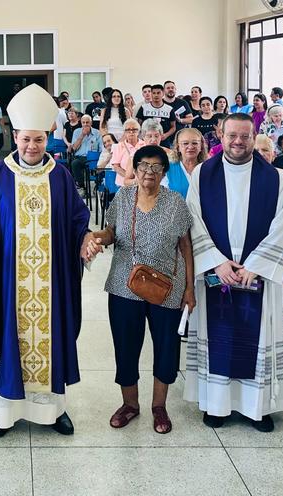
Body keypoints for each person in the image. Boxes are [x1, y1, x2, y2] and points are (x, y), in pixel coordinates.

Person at [0, 83, 95, 437]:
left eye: (38, 139)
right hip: (8, 281)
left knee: (51, 339)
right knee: (7, 336)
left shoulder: (61, 176)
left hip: (51, 283)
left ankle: (54, 410)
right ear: (15, 135)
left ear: (47, 136)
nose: (32, 146)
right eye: (25, 139)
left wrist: (84, 241)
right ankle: (2, 411)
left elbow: (78, 220)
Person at [184, 113, 283, 432]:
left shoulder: (273, 177)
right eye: (231, 135)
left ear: (254, 135)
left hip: (254, 274)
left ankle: (255, 408)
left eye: (245, 136)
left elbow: (282, 225)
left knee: (255, 338)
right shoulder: (204, 173)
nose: (237, 142)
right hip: (216, 272)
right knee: (218, 336)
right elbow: (193, 219)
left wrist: (255, 265)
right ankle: (217, 406)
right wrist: (216, 262)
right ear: (220, 134)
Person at [87, 145, 194, 434]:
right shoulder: (122, 197)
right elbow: (110, 231)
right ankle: (130, 404)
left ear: (164, 172)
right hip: (124, 285)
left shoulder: (175, 202)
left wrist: (190, 289)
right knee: (126, 346)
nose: (149, 172)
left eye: (157, 168)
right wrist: (96, 237)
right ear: (134, 168)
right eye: (144, 166)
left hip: (167, 288)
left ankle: (159, 406)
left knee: (166, 349)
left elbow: (186, 247)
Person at [163, 128, 208, 199]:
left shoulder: (208, 168)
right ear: (178, 147)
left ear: (201, 146)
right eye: (185, 143)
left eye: (195, 143)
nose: (190, 147)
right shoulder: (167, 169)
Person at [68, 115, 102, 189]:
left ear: (91, 123)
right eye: (83, 122)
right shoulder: (77, 132)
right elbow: (74, 148)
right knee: (74, 163)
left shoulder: (97, 132)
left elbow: (101, 148)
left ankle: (98, 185)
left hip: (93, 157)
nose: (85, 124)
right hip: (80, 157)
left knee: (102, 164)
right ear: (81, 123)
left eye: (87, 122)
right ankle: (81, 186)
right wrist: (82, 135)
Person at [109, 119, 146, 188]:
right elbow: (116, 167)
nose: (131, 132)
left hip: (142, 184)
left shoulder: (145, 145)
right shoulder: (118, 146)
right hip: (123, 184)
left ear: (138, 131)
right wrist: (130, 178)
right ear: (124, 132)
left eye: (134, 129)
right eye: (128, 130)